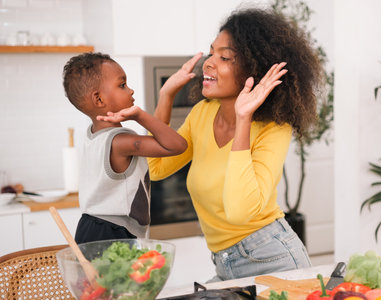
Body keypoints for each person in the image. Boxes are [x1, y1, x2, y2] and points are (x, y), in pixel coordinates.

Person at [104, 7, 322, 280]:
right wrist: (166, 96)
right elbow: (156, 168)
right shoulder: (202, 114)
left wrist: (244, 119)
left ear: (253, 68)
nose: (208, 62)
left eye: (225, 57)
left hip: (273, 259)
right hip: (225, 264)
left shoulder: (273, 129)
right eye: (211, 53)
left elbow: (240, 212)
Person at [62, 52, 187, 244]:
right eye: (122, 85)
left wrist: (165, 95)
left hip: (91, 228)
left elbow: (159, 142)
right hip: (112, 233)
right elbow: (178, 145)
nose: (131, 90)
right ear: (99, 100)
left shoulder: (93, 133)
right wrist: (139, 115)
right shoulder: (121, 142)